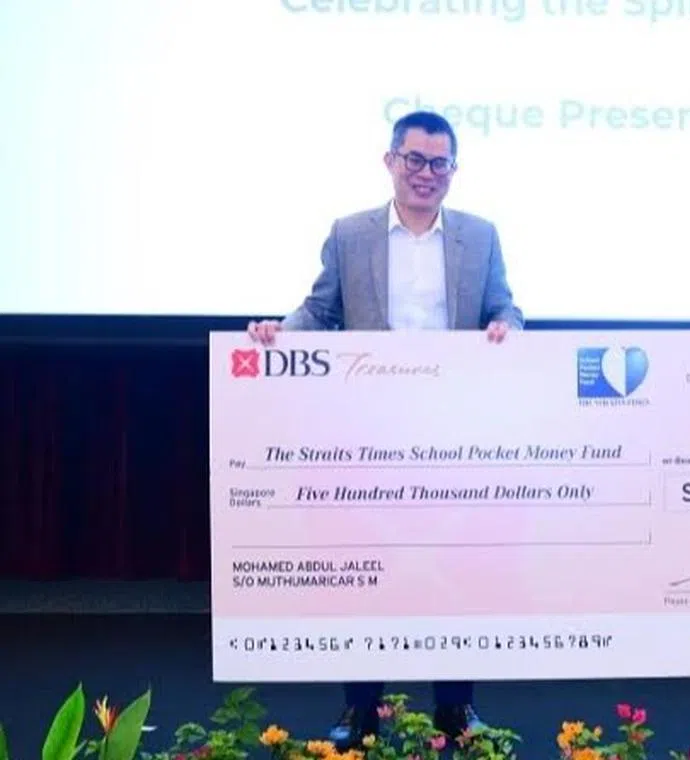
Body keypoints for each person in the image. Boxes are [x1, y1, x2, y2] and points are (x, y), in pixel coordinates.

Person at [247, 110, 524, 748]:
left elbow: (504, 304)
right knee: (363, 568)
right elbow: (321, 310)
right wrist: (277, 333)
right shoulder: (351, 234)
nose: (427, 173)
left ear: (453, 169)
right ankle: (359, 709)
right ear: (391, 161)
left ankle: (456, 708)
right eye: (415, 160)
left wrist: (507, 327)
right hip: (368, 429)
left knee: (455, 569)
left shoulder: (480, 235)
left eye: (440, 163)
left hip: (453, 430)